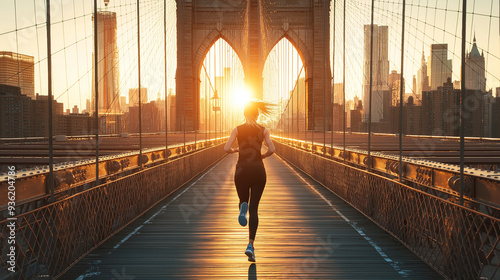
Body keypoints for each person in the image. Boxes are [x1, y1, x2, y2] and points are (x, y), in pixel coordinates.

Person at [224, 100, 275, 262]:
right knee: (254, 209)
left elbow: (226, 149)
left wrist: (236, 149)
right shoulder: (263, 130)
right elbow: (272, 150)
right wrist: (262, 155)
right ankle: (250, 245)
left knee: (243, 200)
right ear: (257, 114)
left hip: (242, 171)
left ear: (244, 114)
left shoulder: (237, 130)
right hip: (258, 171)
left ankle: (241, 208)